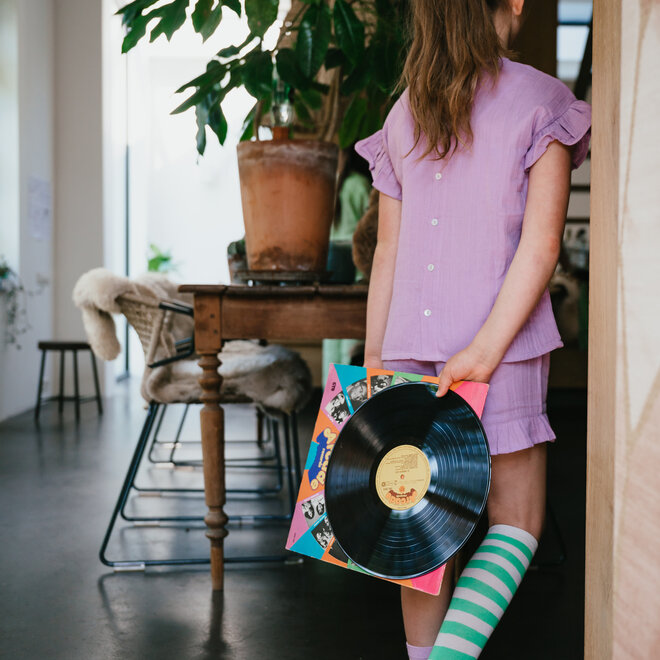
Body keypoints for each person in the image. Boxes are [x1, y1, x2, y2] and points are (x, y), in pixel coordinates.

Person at [355, 1, 591, 658]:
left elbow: (387, 252)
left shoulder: (404, 113)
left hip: (405, 345)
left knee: (418, 530)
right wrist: (484, 352)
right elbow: (542, 246)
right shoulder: (543, 101)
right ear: (512, 4)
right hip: (504, 344)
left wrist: (376, 363)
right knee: (516, 526)